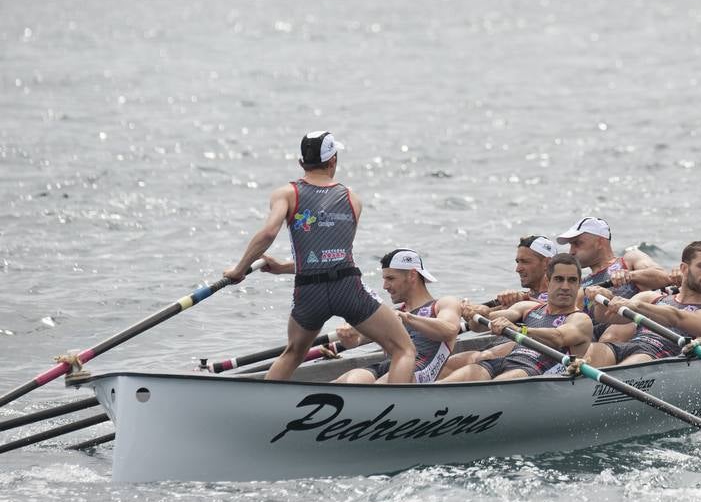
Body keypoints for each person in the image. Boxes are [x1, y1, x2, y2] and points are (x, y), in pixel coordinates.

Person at [223, 131, 415, 383]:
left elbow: (270, 233)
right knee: (404, 349)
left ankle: (263, 404)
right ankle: (394, 411)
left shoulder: (286, 194)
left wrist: (240, 269)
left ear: (301, 163)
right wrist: (281, 268)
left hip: (309, 292)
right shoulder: (352, 200)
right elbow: (334, 256)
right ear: (333, 160)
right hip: (347, 288)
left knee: (292, 353)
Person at [446, 253, 592, 381]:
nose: (565, 286)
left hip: (538, 371)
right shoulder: (528, 308)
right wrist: (476, 314)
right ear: (548, 282)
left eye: (572, 280)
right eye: (559, 279)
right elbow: (479, 326)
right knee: (464, 375)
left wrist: (519, 330)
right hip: (507, 361)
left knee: (496, 385)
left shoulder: (580, 319)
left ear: (579, 284)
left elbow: (558, 337)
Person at [584, 241, 701, 367]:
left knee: (638, 359)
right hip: (629, 346)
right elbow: (605, 317)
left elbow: (675, 317)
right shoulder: (651, 298)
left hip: (657, 358)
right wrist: (602, 298)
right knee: (593, 352)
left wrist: (637, 306)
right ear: (684, 269)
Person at [332, 249, 463, 384]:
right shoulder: (394, 314)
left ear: (412, 275)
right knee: (347, 380)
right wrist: (349, 336)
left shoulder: (444, 304)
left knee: (378, 386)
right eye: (384, 279)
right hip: (386, 366)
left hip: (417, 371)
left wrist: (406, 318)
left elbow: (449, 331)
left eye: (390, 278)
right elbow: (358, 340)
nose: (385, 286)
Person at [561, 215, 668, 342]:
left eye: (577, 243)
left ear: (600, 242)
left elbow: (663, 277)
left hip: (627, 330)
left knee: (610, 336)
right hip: (592, 340)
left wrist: (630, 275)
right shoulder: (580, 284)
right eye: (570, 245)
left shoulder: (628, 260)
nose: (571, 251)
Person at [493, 236, 559, 308]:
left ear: (547, 263)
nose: (518, 269)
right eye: (518, 262)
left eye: (525, 262)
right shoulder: (519, 298)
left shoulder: (563, 301)